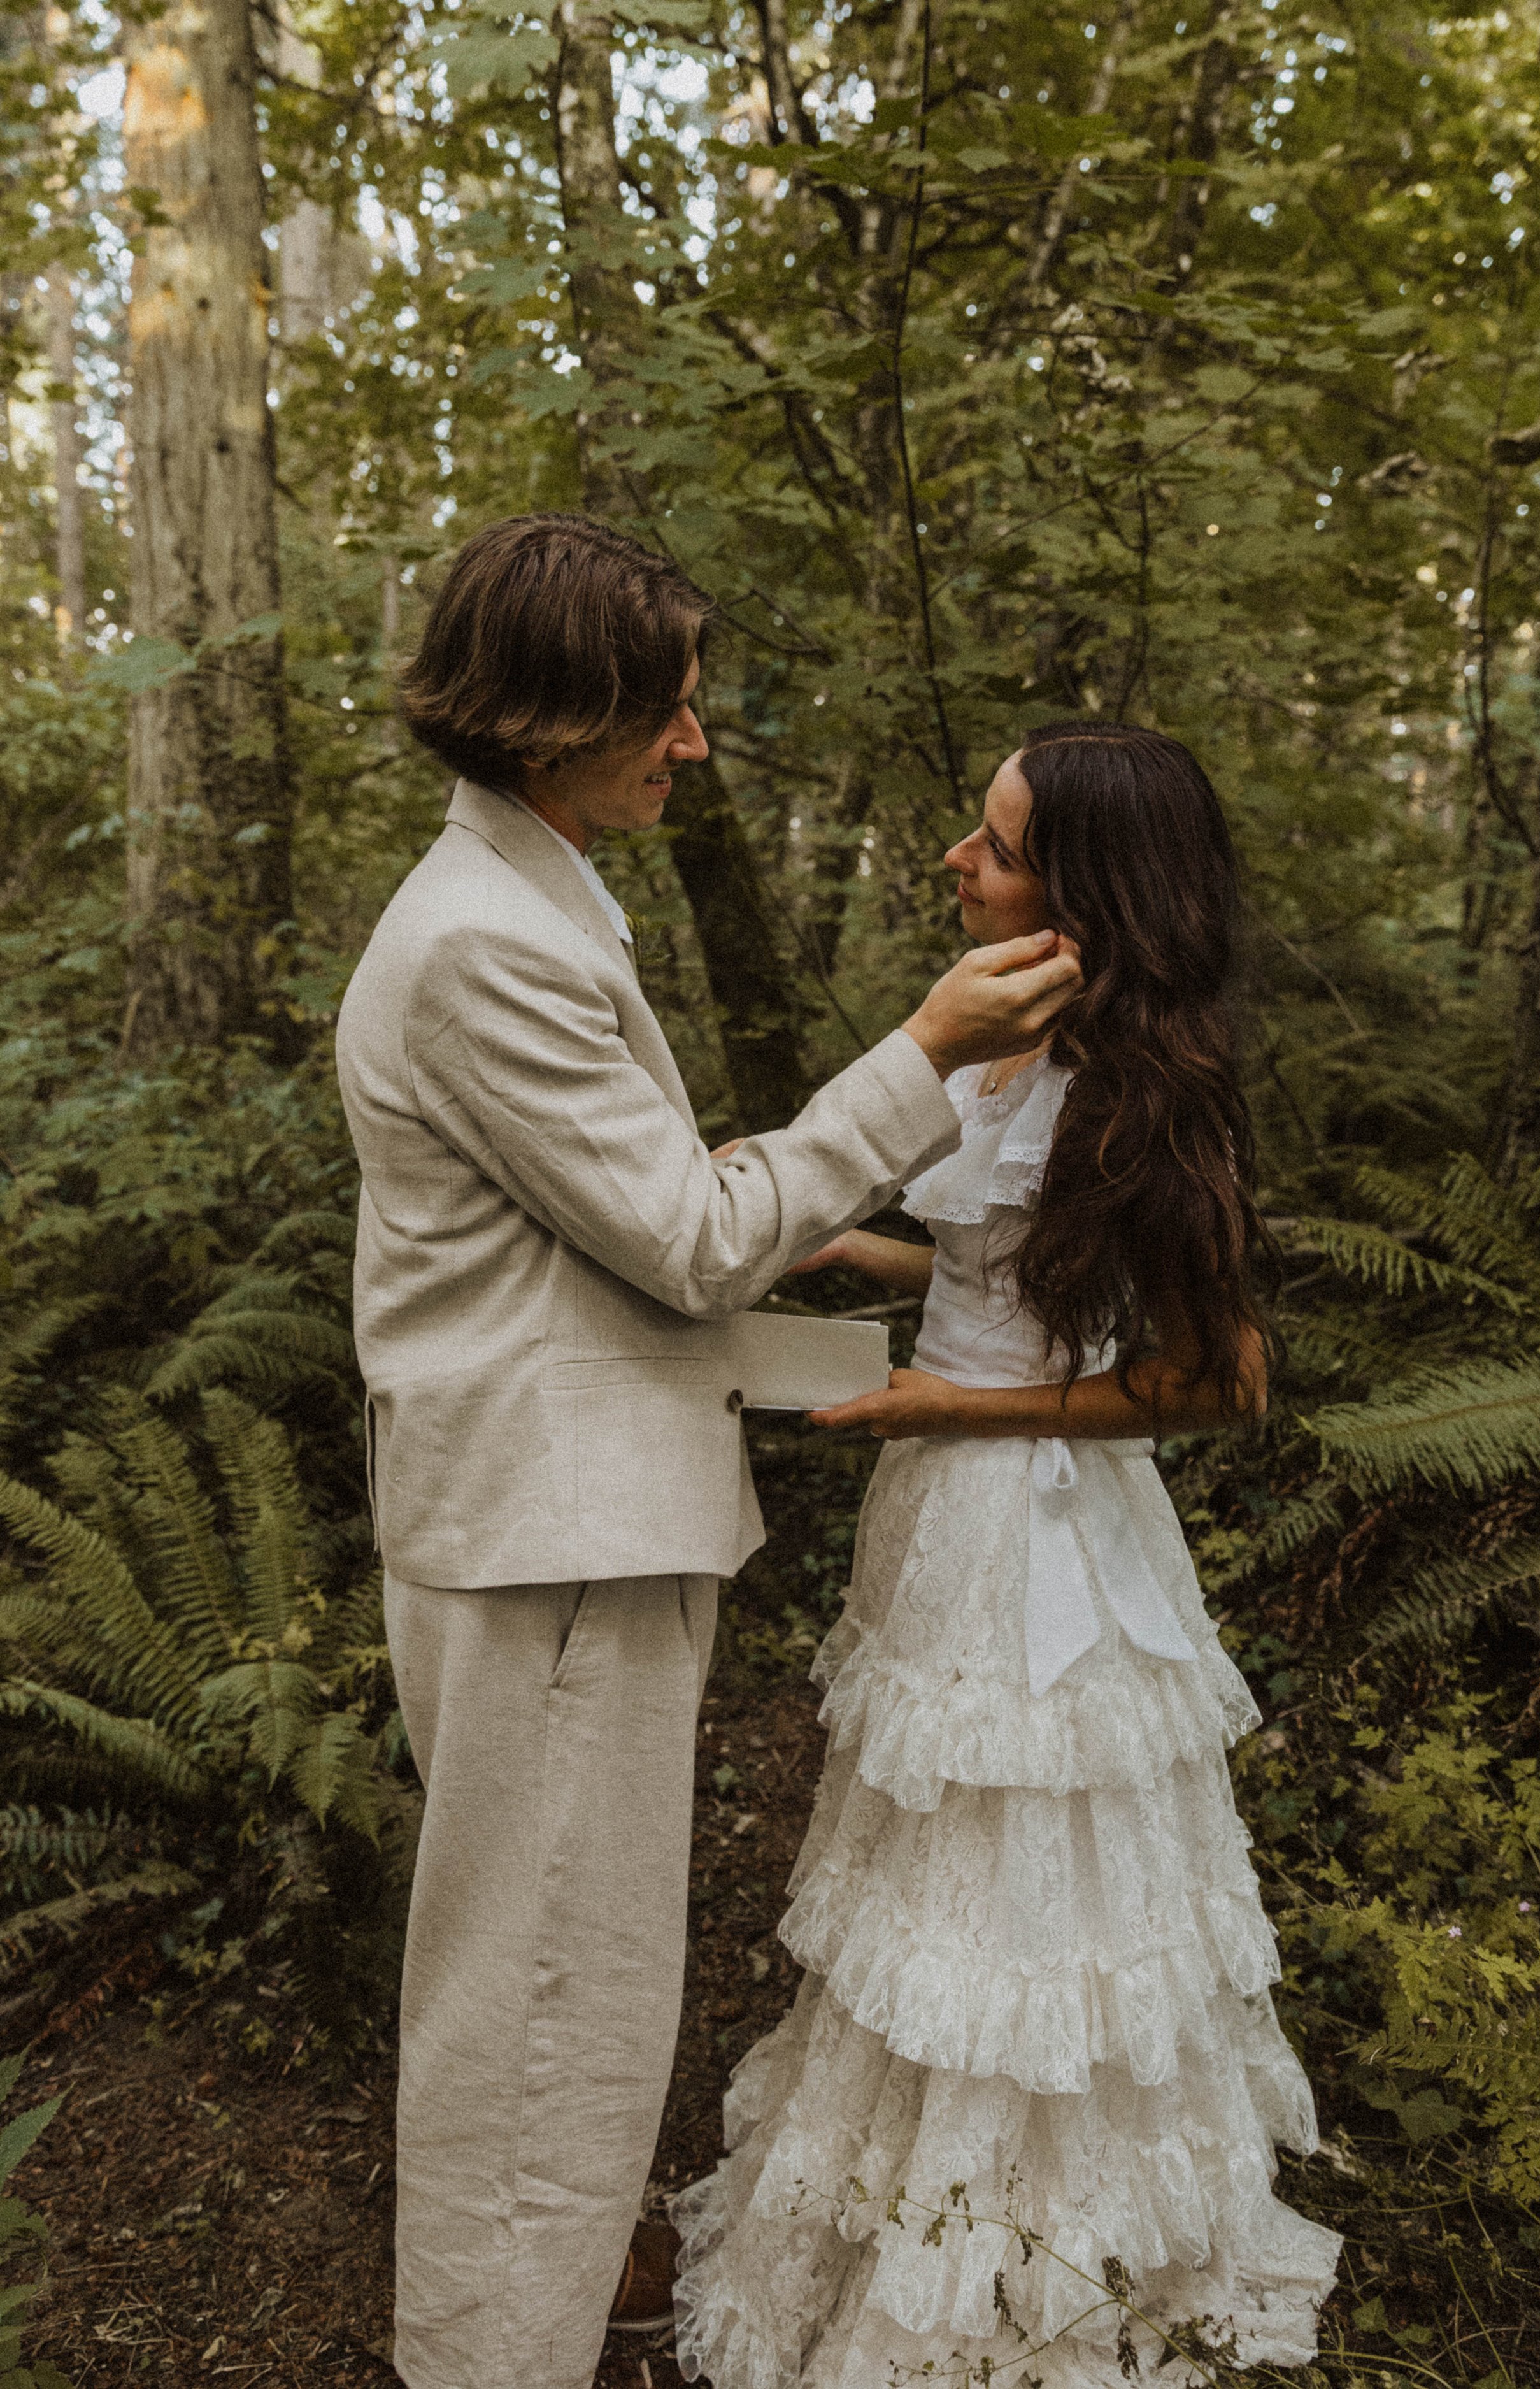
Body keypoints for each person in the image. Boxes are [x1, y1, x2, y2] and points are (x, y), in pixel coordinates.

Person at [332, 513, 1081, 2389]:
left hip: (562, 1506)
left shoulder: (543, 893)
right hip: (546, 1540)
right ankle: (490, 2359)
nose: (690, 744)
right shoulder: (484, 945)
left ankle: (540, 2312)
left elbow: (587, 1255)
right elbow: (674, 1234)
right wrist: (914, 1060)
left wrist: (860, 1320)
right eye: (662, 712)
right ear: (549, 714)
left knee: (566, 1970)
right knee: (544, 1993)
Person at [671, 723, 1343, 2386]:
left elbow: (1214, 1379)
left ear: (1087, 888)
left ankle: (1040, 2267)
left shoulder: (1151, 1089)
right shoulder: (992, 1044)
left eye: (992, 846)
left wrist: (943, 1408)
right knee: (932, 1869)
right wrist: (859, 1245)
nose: (954, 866)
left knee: (1030, 1882)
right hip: (941, 1516)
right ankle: (919, 2197)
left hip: (1034, 1520)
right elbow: (1010, 1263)